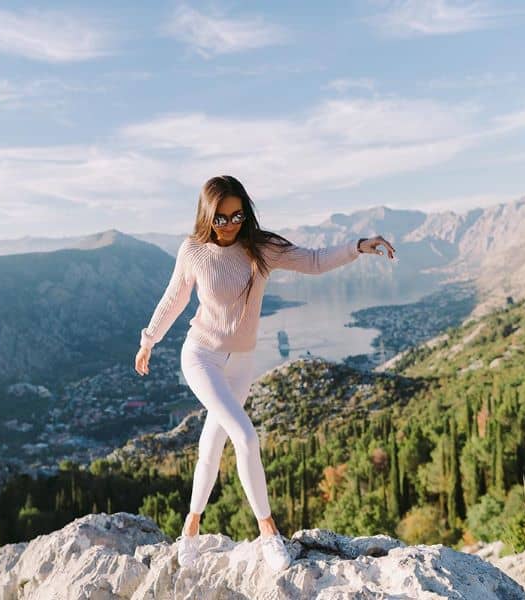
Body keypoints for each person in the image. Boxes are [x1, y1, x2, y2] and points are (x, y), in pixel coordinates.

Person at [134, 175, 396, 572]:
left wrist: (358, 246)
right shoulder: (193, 251)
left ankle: (190, 528)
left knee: (213, 443)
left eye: (237, 215)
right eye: (220, 218)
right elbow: (174, 298)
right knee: (245, 435)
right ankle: (269, 532)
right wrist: (149, 339)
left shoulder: (261, 249)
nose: (230, 224)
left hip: (241, 363)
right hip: (201, 356)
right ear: (207, 215)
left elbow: (313, 259)